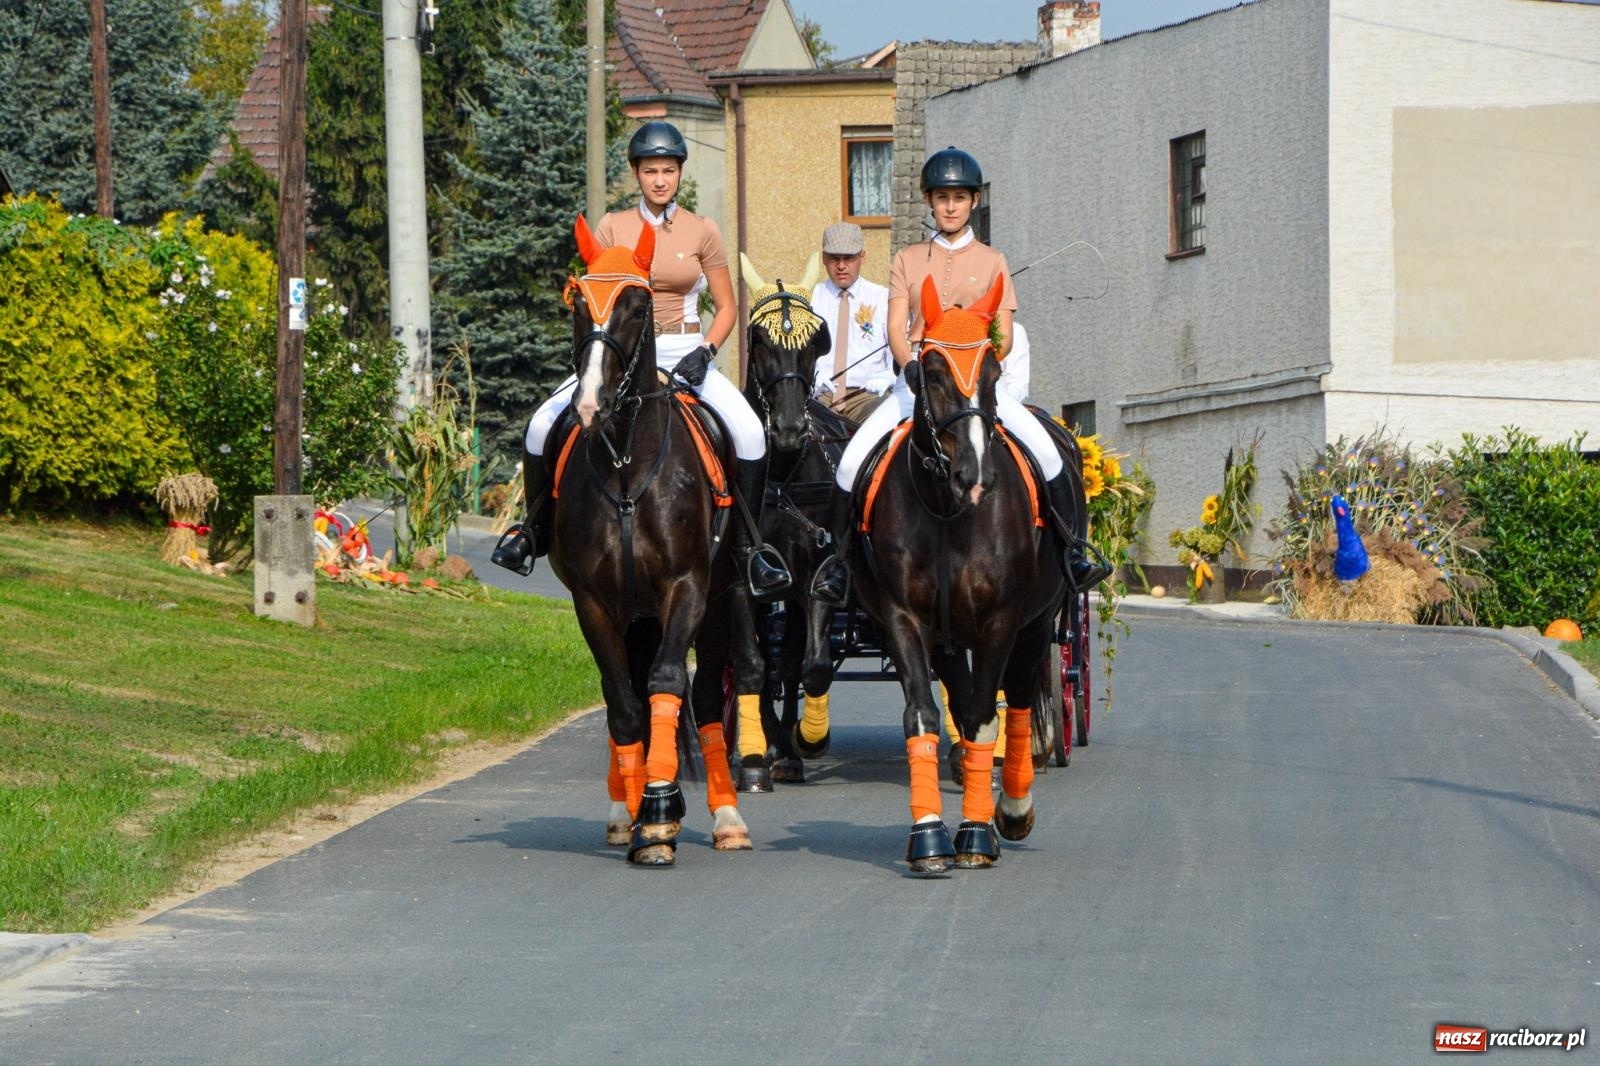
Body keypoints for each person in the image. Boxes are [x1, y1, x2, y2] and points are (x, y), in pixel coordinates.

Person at [493, 120, 791, 598]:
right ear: (636, 173)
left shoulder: (702, 230)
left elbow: (728, 305)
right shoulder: (613, 227)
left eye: (668, 171)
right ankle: (533, 531)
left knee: (752, 433)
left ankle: (749, 550)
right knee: (540, 424)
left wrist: (706, 352)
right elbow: (604, 303)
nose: (659, 180)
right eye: (650, 170)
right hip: (621, 352)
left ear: (679, 174)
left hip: (687, 349)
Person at [811, 146, 1107, 603]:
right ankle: (838, 565)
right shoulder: (907, 259)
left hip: (976, 390)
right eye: (943, 197)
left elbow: (1004, 336)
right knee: (851, 463)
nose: (951, 206)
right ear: (929, 201)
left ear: (973, 202)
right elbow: (895, 325)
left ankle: (1073, 553)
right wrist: (910, 364)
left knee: (1049, 454)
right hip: (921, 386)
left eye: (960, 197)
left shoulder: (993, 262)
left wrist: (973, 363)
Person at [809, 222, 893, 424]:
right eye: (834, 258)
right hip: (822, 396)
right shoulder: (811, 299)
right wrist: (810, 378)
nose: (841, 266)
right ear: (823, 259)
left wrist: (890, 375)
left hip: (867, 396)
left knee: (888, 420)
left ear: (862, 257)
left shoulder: (882, 298)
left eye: (848, 258)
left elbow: (896, 347)